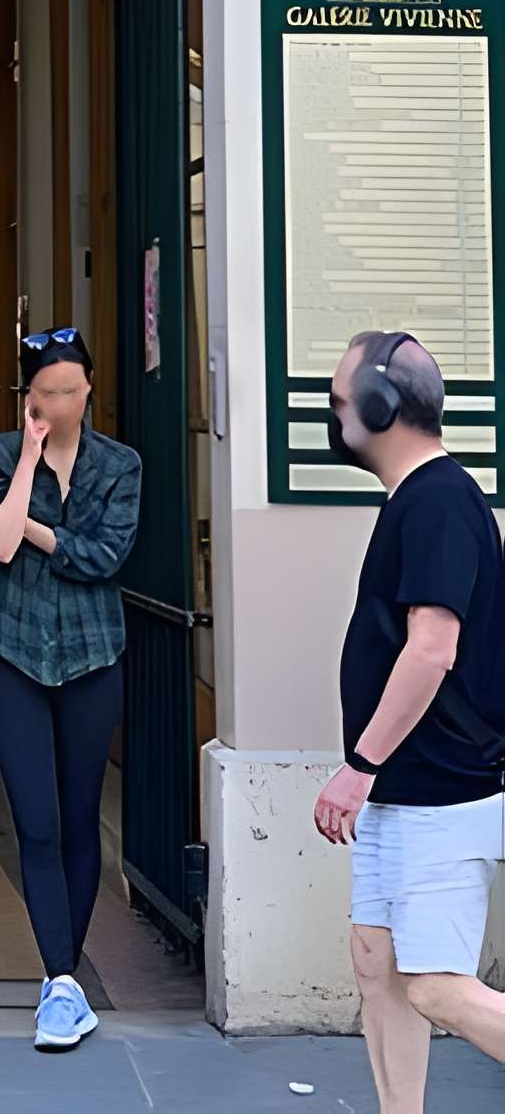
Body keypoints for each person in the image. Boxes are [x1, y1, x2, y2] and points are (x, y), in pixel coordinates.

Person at [312, 330, 505, 1114]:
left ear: (380, 406)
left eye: (337, 397)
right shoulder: (416, 500)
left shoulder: (438, 501)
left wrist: (359, 766)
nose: (333, 411)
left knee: (433, 986)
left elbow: (431, 649)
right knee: (377, 964)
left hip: (440, 795)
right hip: (401, 791)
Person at [0, 330, 141, 1053]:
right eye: (47, 393)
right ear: (28, 397)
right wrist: (31, 460)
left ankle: (62, 981)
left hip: (92, 656)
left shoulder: (120, 465)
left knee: (79, 821)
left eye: (72, 390)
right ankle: (60, 975)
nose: (62, 403)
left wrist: (43, 532)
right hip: (11, 654)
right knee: (34, 821)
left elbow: (105, 556)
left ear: (89, 390)